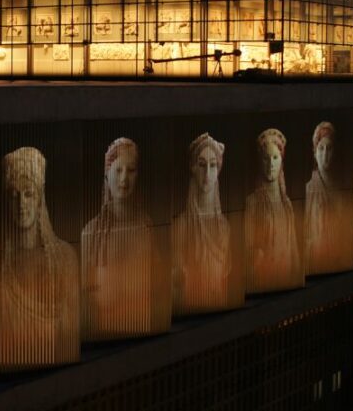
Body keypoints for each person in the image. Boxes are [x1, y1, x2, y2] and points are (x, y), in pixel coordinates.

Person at [0, 147, 79, 373]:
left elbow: (71, 335)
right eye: (13, 195)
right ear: (5, 201)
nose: (21, 204)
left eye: (28, 193)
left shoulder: (65, 259)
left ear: (40, 199)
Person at [81, 138, 171, 339]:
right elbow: (84, 298)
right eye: (118, 170)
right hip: (103, 340)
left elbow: (157, 287)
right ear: (107, 176)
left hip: (143, 335)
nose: (124, 179)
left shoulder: (146, 226)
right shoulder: (91, 233)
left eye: (131, 170)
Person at [172, 133, 240, 315]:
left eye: (213, 165)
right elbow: (176, 285)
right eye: (202, 165)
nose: (207, 173)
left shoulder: (224, 227)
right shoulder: (181, 226)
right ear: (193, 168)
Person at [244, 128, 303, 293]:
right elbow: (247, 250)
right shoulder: (252, 203)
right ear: (260, 161)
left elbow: (294, 252)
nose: (270, 164)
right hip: (263, 284)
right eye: (266, 158)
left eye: (275, 158)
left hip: (287, 284)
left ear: (281, 161)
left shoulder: (287, 205)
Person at [305, 122, 353, 275]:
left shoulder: (343, 190)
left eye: (329, 148)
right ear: (314, 152)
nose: (325, 154)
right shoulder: (309, 190)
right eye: (321, 148)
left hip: (340, 260)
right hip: (316, 262)